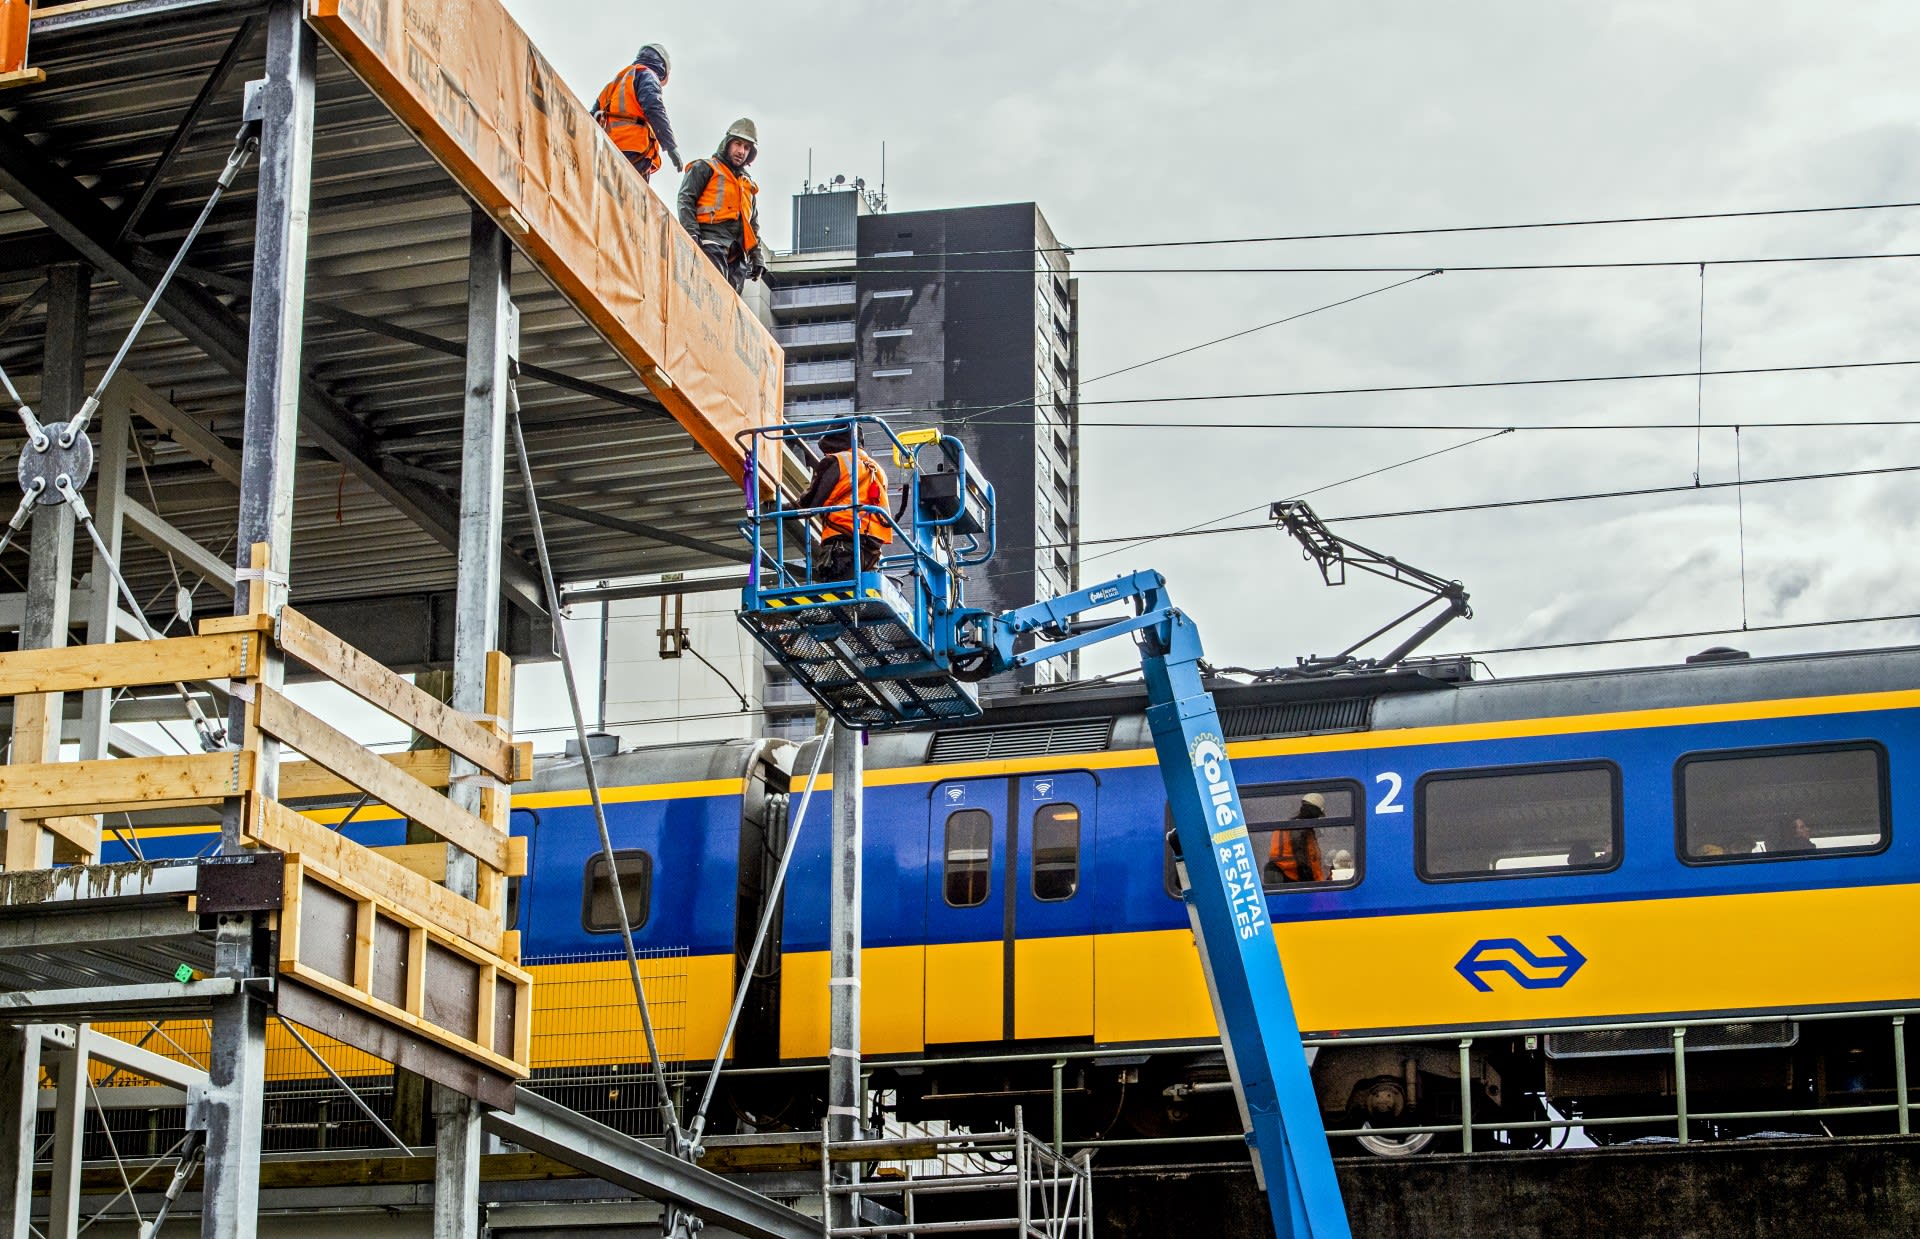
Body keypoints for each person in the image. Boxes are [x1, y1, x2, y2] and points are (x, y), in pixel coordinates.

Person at [677, 118, 770, 293]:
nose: (741, 151)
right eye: (738, 144)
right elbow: (685, 199)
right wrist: (691, 234)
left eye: (747, 147)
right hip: (710, 242)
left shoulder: (748, 186)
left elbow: (752, 227)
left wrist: (757, 256)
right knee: (710, 295)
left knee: (728, 310)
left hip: (736, 257)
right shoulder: (705, 168)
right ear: (727, 144)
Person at [795, 427, 893, 581]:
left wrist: (773, 508)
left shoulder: (837, 461)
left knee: (837, 598)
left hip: (842, 545)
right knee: (859, 599)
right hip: (872, 550)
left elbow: (808, 505)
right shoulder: (876, 468)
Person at [594, 44, 682, 183]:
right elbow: (654, 107)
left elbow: (592, 116)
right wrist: (671, 146)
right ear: (662, 68)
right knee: (630, 201)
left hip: (606, 148)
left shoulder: (616, 83)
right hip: (634, 150)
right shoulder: (648, 75)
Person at [1267, 792, 1329, 884]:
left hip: (1284, 878)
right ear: (1315, 812)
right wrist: (1311, 887)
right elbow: (1302, 862)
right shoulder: (1300, 830)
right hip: (1293, 880)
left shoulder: (1289, 828)